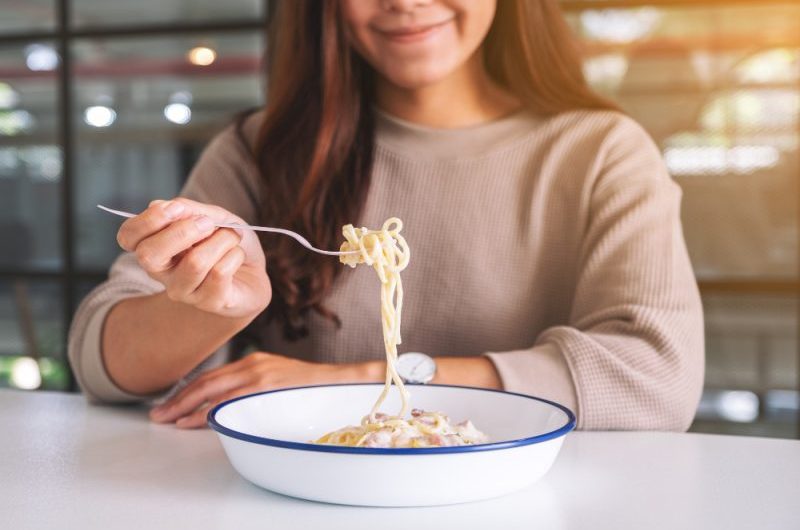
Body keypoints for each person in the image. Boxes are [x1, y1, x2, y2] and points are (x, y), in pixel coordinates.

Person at [68, 0, 704, 431]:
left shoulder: (598, 150)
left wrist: (348, 383)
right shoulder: (261, 151)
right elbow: (103, 364)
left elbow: (655, 375)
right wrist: (207, 305)